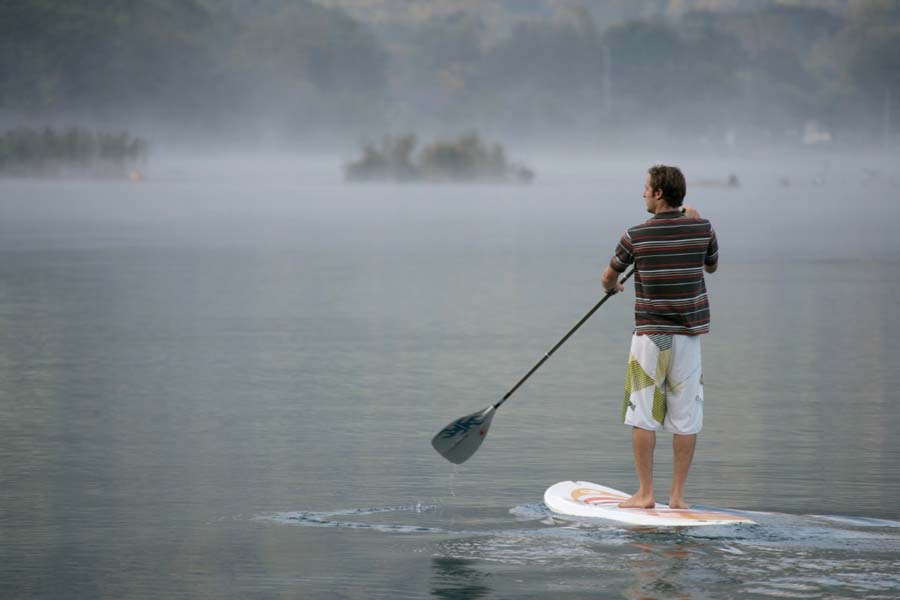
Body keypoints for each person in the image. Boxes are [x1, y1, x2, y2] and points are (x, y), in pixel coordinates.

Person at [600, 165, 718, 510]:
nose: (643, 193)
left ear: (659, 194)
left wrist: (614, 286)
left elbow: (608, 277)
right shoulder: (703, 228)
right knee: (685, 419)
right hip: (688, 339)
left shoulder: (635, 235)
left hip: (652, 338)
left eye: (646, 188)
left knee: (643, 415)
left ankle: (645, 494)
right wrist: (696, 221)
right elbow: (711, 266)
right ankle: (677, 497)